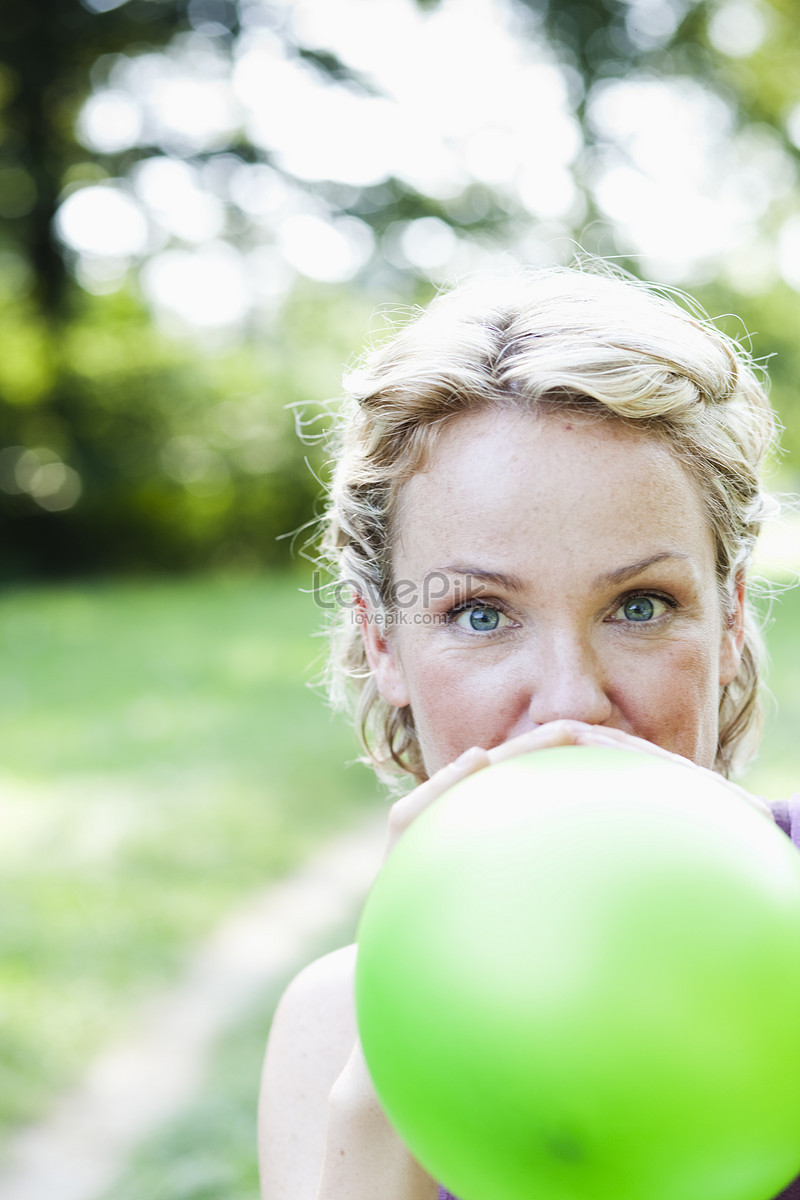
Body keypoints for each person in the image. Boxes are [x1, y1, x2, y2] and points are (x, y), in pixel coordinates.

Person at [257, 263, 800, 1200]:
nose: (569, 703)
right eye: (479, 613)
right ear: (384, 641)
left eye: (640, 604)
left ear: (728, 622)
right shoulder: (334, 1033)